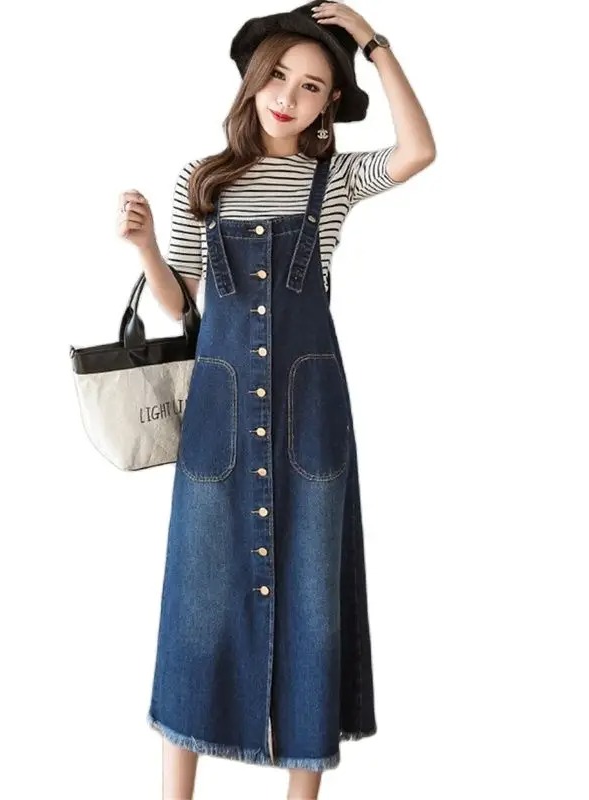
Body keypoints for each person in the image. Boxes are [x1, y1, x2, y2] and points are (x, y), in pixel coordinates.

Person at [118, 2, 435, 797]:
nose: (289, 97)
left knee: (311, 600)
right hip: (218, 421)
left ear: (331, 103)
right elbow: (183, 304)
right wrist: (147, 248)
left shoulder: (334, 181)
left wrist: (373, 43)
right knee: (197, 599)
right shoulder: (203, 179)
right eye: (279, 77)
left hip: (309, 418)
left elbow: (419, 150)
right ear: (254, 81)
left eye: (313, 86)